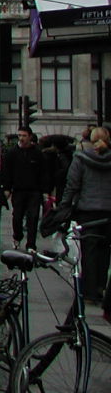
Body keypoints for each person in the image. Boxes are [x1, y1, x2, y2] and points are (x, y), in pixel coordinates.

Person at [59, 125, 111, 309]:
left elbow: (72, 185)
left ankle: (89, 292)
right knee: (105, 251)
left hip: (87, 211)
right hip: (108, 212)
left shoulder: (80, 159)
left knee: (89, 251)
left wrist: (64, 206)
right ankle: (100, 287)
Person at [2, 124, 49, 251]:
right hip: (18, 190)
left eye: (24, 136)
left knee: (33, 218)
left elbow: (44, 173)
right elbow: (7, 172)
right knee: (17, 217)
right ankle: (17, 236)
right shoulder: (12, 153)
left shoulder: (37, 153)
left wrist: (45, 191)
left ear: (30, 137)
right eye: (19, 135)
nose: (21, 138)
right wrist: (7, 188)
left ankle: (31, 245)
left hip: (34, 191)